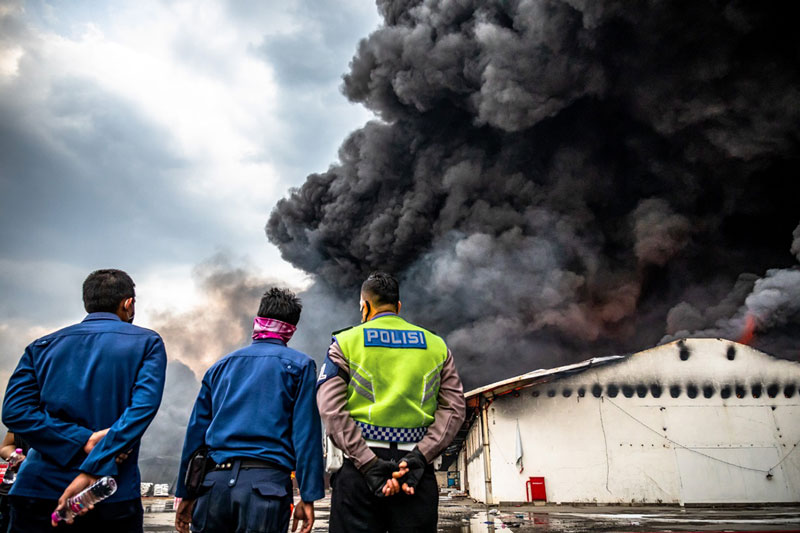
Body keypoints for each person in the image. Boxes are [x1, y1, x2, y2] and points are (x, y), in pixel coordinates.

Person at [1, 269, 167, 533]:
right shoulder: (147, 343)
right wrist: (93, 466)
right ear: (128, 303)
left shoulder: (41, 346)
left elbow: (14, 412)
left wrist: (79, 439)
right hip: (109, 496)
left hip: (36, 490)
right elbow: (141, 410)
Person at [317, 271, 466, 533]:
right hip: (416, 473)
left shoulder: (345, 343)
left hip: (360, 470)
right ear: (398, 307)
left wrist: (369, 463)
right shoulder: (437, 346)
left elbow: (331, 410)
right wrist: (419, 458)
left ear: (365, 307)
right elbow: (454, 410)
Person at [174, 287, 324, 533]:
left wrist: (185, 493)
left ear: (258, 319)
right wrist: (308, 496)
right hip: (266, 488)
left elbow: (195, 435)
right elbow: (305, 434)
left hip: (213, 486)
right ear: (291, 329)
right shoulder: (300, 366)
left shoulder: (219, 367)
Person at [0, 432, 29, 532]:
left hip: (51, 493)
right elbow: (6, 446)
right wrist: (15, 456)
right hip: (14, 489)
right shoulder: (24, 416)